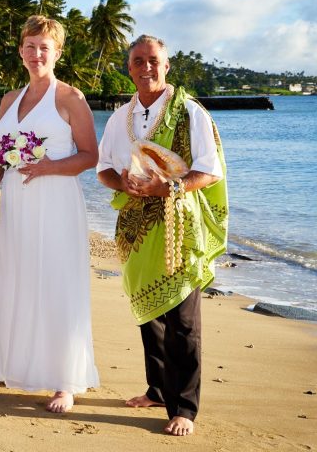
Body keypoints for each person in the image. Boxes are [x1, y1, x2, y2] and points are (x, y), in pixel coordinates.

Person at [0, 15, 100, 413]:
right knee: (17, 275)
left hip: (56, 202)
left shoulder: (71, 98)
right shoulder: (8, 100)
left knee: (56, 281)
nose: (37, 54)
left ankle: (64, 381)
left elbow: (91, 156)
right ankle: (14, 362)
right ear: (21, 51)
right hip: (17, 203)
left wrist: (50, 166)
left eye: (44, 48)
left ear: (57, 53)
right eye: (30, 47)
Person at [97, 34, 228, 436]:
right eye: (138, 60)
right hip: (137, 227)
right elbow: (103, 168)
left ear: (166, 65)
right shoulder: (121, 117)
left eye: (153, 60)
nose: (146, 67)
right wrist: (124, 184)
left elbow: (210, 170)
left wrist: (166, 188)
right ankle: (157, 390)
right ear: (129, 67)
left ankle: (184, 408)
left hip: (179, 225)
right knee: (150, 312)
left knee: (183, 319)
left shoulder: (190, 112)